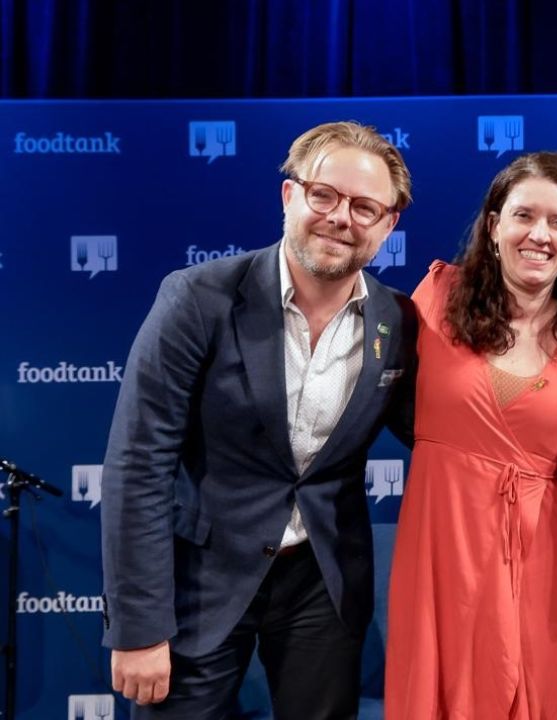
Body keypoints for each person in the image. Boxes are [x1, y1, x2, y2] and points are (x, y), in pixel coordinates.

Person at [100, 121, 416, 719]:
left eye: (365, 207)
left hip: (324, 587)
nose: (340, 217)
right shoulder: (197, 298)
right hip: (201, 581)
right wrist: (138, 626)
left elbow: (447, 432)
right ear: (290, 195)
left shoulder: (399, 323)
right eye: (324, 195)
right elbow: (138, 465)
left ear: (387, 224)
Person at [384, 151, 557, 719]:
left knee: (542, 694)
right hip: (442, 542)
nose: (540, 235)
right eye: (524, 216)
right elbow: (386, 398)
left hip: (543, 555)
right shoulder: (437, 295)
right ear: (493, 227)